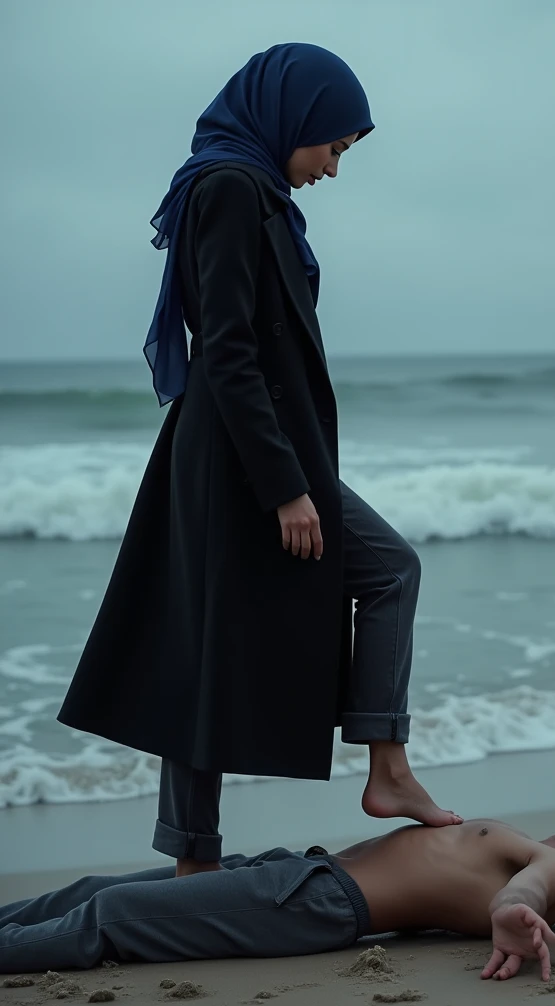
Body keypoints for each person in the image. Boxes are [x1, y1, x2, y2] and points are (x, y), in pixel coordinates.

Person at [56, 41, 460, 879]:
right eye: (335, 147)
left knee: (280, 607)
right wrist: (286, 490)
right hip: (241, 451)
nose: (334, 169)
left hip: (250, 442)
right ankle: (198, 865)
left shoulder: (254, 190)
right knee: (228, 628)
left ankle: (381, 772)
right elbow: (229, 349)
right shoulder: (233, 188)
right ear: (295, 119)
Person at [0, 804, 555, 978]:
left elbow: (526, 888)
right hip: (293, 871)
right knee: (92, 890)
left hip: (311, 899)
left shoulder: (546, 873)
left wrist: (513, 911)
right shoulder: (531, 854)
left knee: (110, 916)